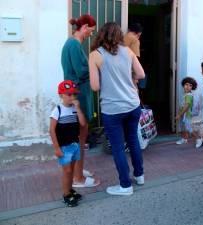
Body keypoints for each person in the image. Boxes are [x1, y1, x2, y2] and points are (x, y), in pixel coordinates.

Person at [89, 22, 145, 196]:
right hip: (133, 104)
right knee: (133, 140)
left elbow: (95, 86)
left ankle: (125, 186)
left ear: (101, 35)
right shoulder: (128, 51)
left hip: (112, 109)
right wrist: (127, 78)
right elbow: (142, 74)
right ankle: (140, 175)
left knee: (118, 147)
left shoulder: (95, 55)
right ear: (119, 35)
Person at [61, 14, 100, 188]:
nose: (90, 35)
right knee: (81, 137)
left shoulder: (71, 44)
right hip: (78, 96)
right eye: (90, 31)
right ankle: (78, 179)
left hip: (77, 94)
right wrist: (97, 66)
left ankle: (78, 169)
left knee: (79, 136)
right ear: (84, 27)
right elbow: (82, 71)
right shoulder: (74, 44)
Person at [49, 80, 87, 207]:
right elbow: (51, 130)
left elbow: (82, 123)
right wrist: (56, 148)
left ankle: (70, 191)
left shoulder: (75, 110)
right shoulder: (57, 110)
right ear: (61, 95)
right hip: (64, 147)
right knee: (67, 172)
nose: (72, 97)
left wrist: (78, 108)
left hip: (74, 145)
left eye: (74, 94)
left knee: (72, 170)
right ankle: (66, 195)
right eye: (69, 94)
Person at [175, 77, 203, 148]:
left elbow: (186, 106)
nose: (188, 87)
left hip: (186, 115)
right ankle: (184, 139)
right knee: (184, 127)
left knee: (189, 128)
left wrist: (179, 115)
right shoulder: (186, 94)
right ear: (183, 85)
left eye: (190, 85)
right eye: (186, 84)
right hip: (184, 115)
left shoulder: (189, 96)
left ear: (192, 87)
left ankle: (199, 139)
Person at [124, 23, 147, 97]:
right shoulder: (135, 40)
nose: (139, 37)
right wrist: (135, 76)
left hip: (120, 73)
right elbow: (135, 59)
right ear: (137, 33)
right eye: (139, 35)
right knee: (134, 96)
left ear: (129, 30)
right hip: (129, 73)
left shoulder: (120, 38)